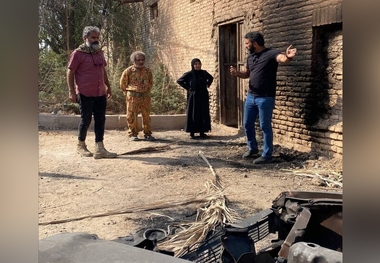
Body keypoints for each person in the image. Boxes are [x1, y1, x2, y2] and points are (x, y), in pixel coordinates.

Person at [230, 32, 296, 164]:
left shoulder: (271, 53)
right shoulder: (250, 57)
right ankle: (252, 149)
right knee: (247, 124)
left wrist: (288, 57)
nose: (246, 46)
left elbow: (281, 58)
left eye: (247, 43)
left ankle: (267, 155)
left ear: (255, 43)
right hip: (251, 96)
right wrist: (237, 73)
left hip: (265, 98)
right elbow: (247, 74)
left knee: (265, 126)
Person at [67, 26, 117, 159]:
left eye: (97, 38)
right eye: (93, 37)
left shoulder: (99, 52)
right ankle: (81, 145)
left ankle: (99, 148)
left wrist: (108, 86)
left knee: (101, 120)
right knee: (86, 119)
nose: (95, 40)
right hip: (85, 92)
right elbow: (70, 72)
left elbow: (103, 70)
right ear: (85, 38)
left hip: (100, 92)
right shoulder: (77, 54)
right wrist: (71, 91)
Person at [119, 51, 155, 141]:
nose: (141, 62)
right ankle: (133, 133)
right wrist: (127, 93)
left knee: (146, 115)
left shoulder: (148, 71)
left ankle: (147, 133)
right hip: (132, 97)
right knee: (131, 116)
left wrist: (146, 89)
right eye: (138, 60)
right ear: (133, 60)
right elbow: (123, 83)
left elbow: (151, 82)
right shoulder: (128, 71)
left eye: (142, 60)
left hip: (145, 96)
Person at [177, 58, 214, 139]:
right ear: (193, 65)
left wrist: (208, 84)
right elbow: (179, 81)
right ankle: (192, 133)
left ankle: (202, 132)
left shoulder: (204, 73)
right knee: (193, 113)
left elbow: (211, 78)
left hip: (203, 95)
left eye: (199, 64)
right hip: (193, 96)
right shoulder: (189, 74)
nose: (197, 66)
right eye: (195, 64)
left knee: (202, 113)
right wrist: (188, 88)